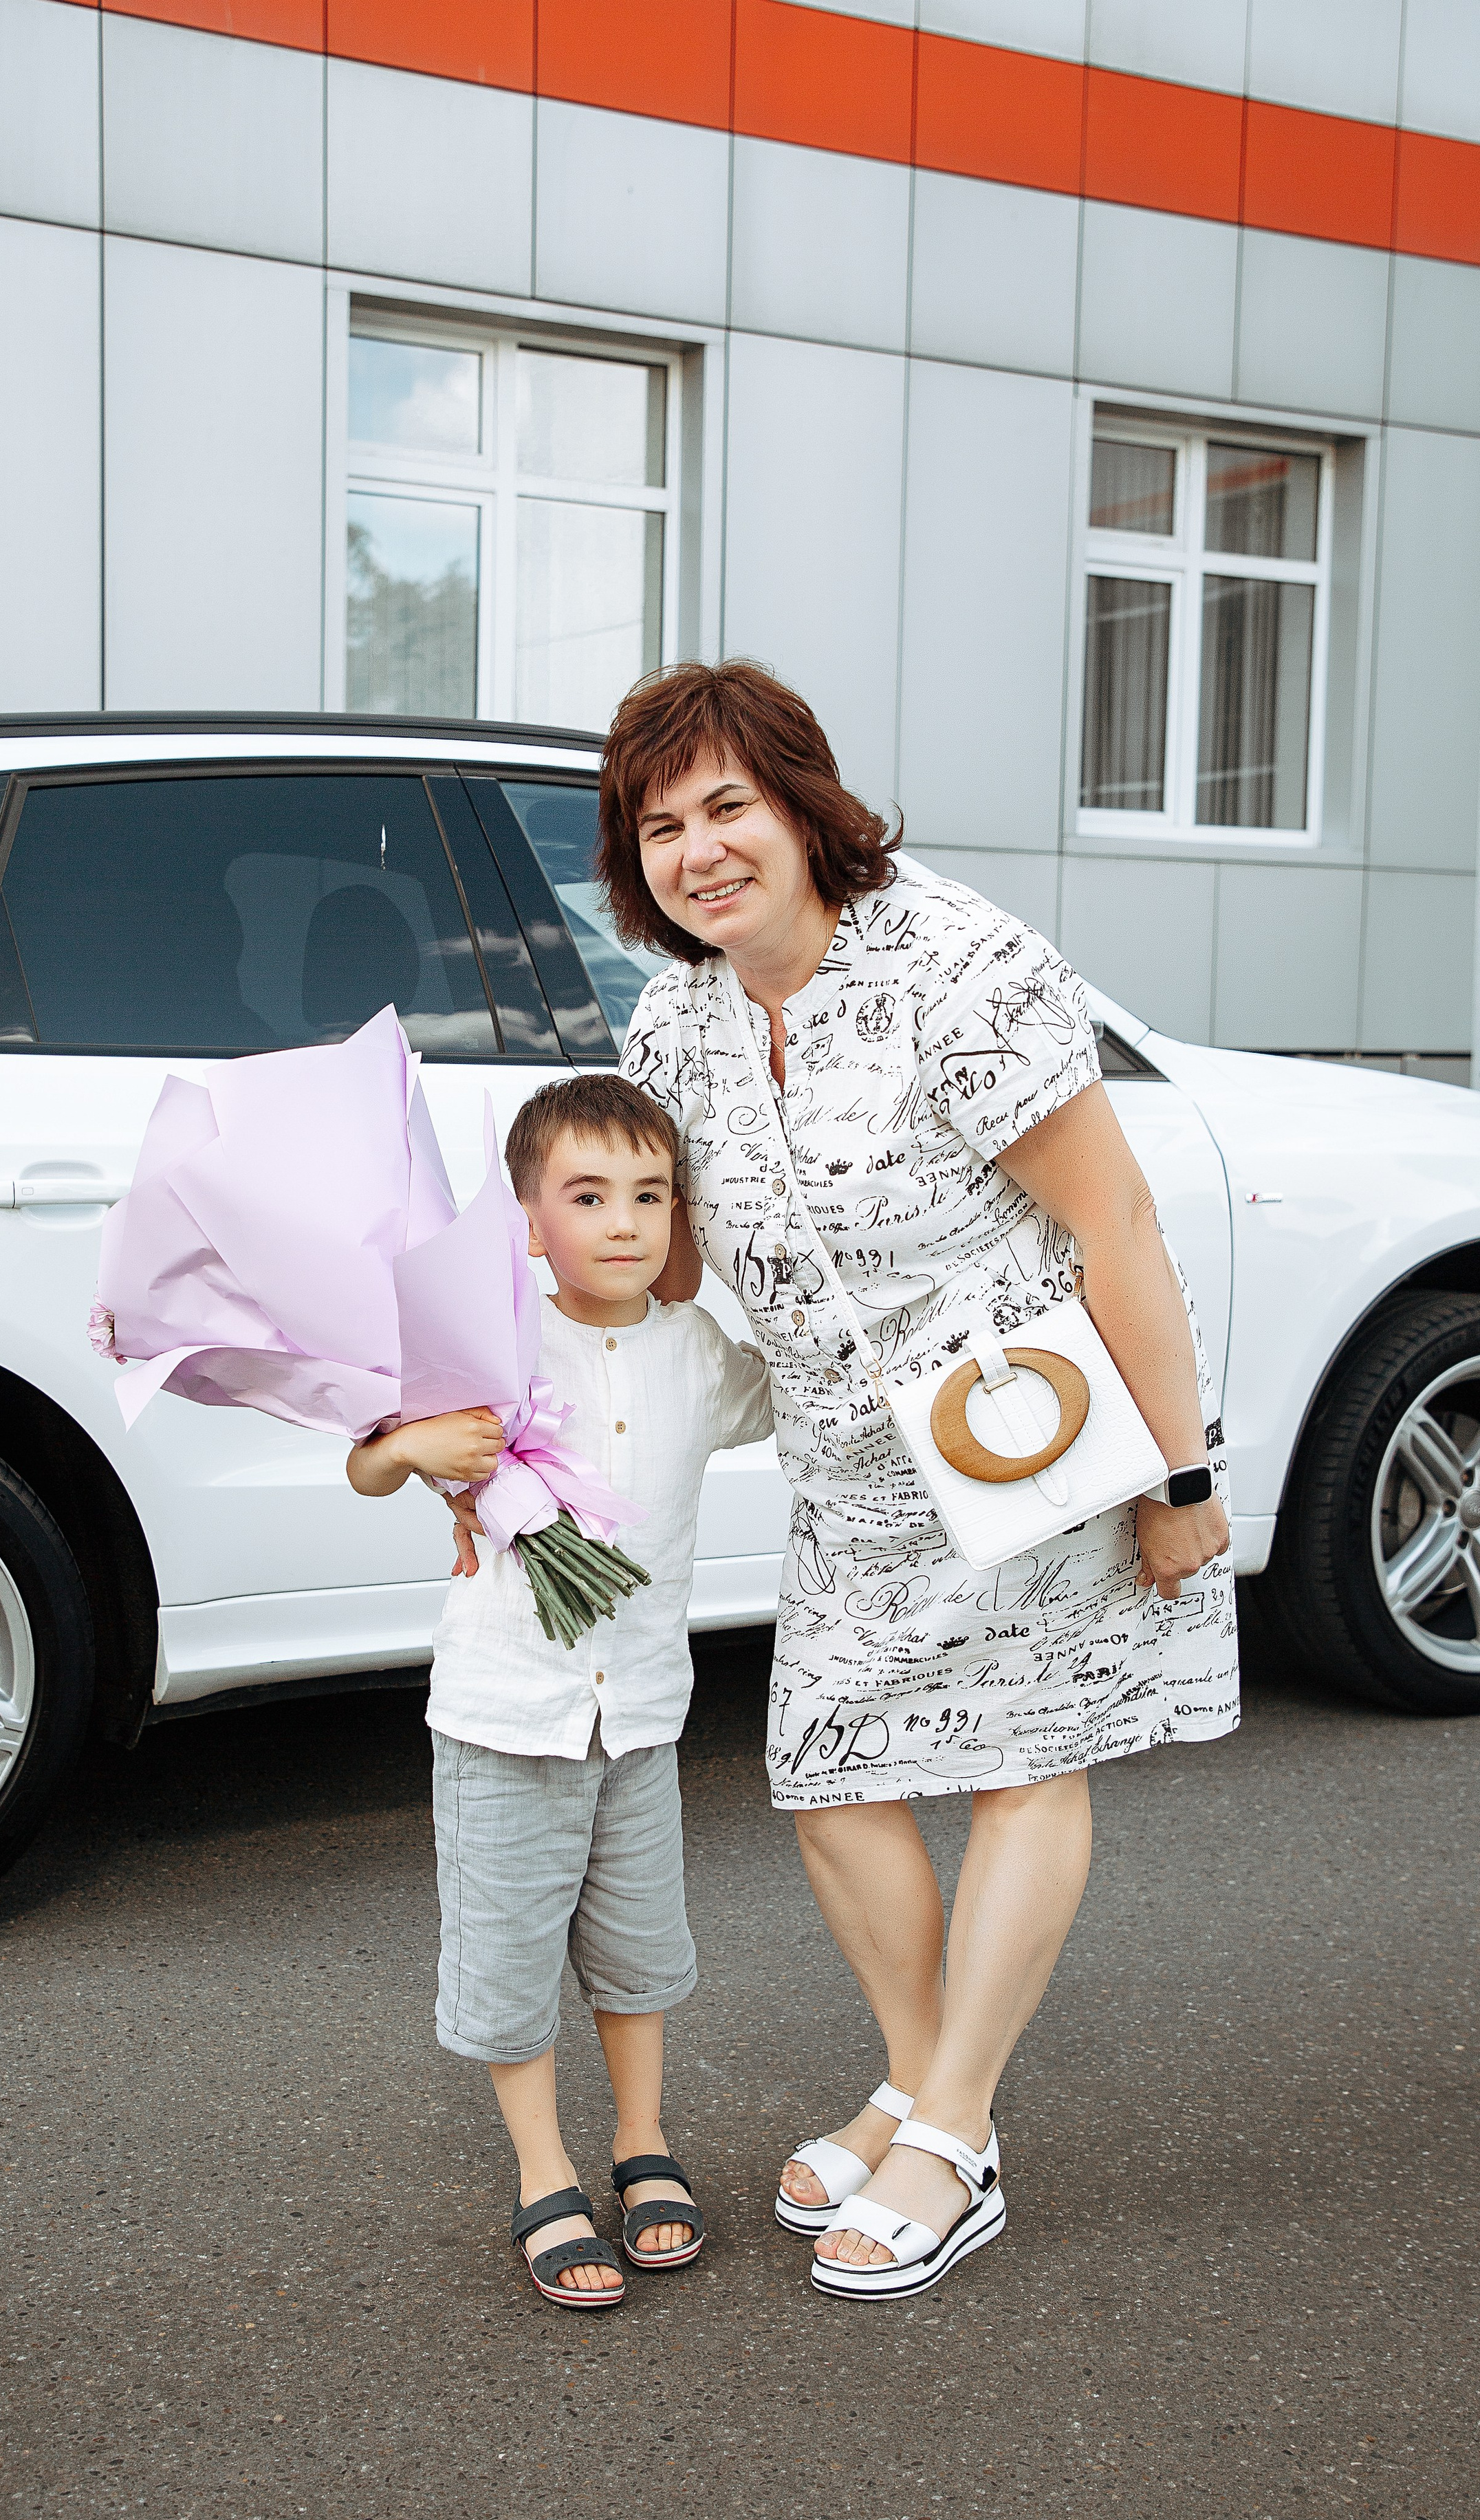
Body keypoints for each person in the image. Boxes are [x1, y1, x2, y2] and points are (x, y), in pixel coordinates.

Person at [600, 658, 1239, 2303]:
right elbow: (666, 1262)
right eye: (660, 825)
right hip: (852, 1473)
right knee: (824, 1767)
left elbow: (1115, 1225)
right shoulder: (676, 1016)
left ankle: (950, 2135)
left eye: (726, 806)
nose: (698, 851)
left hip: (1022, 1429)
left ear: (804, 805)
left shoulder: (955, 967)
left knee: (1018, 1766)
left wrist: (1177, 1473)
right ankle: (916, 2078)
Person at [347, 1072, 773, 2311]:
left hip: (639, 1713)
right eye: (589, 1196)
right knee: (513, 1957)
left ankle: (643, 2143)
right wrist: (414, 1449)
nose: (627, 1222)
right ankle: (546, 2166)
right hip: (507, 1716)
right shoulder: (493, 1345)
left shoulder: (695, 1350)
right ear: (529, 1220)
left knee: (641, 1953)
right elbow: (371, 1455)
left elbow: (801, 1386)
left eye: (652, 1196)